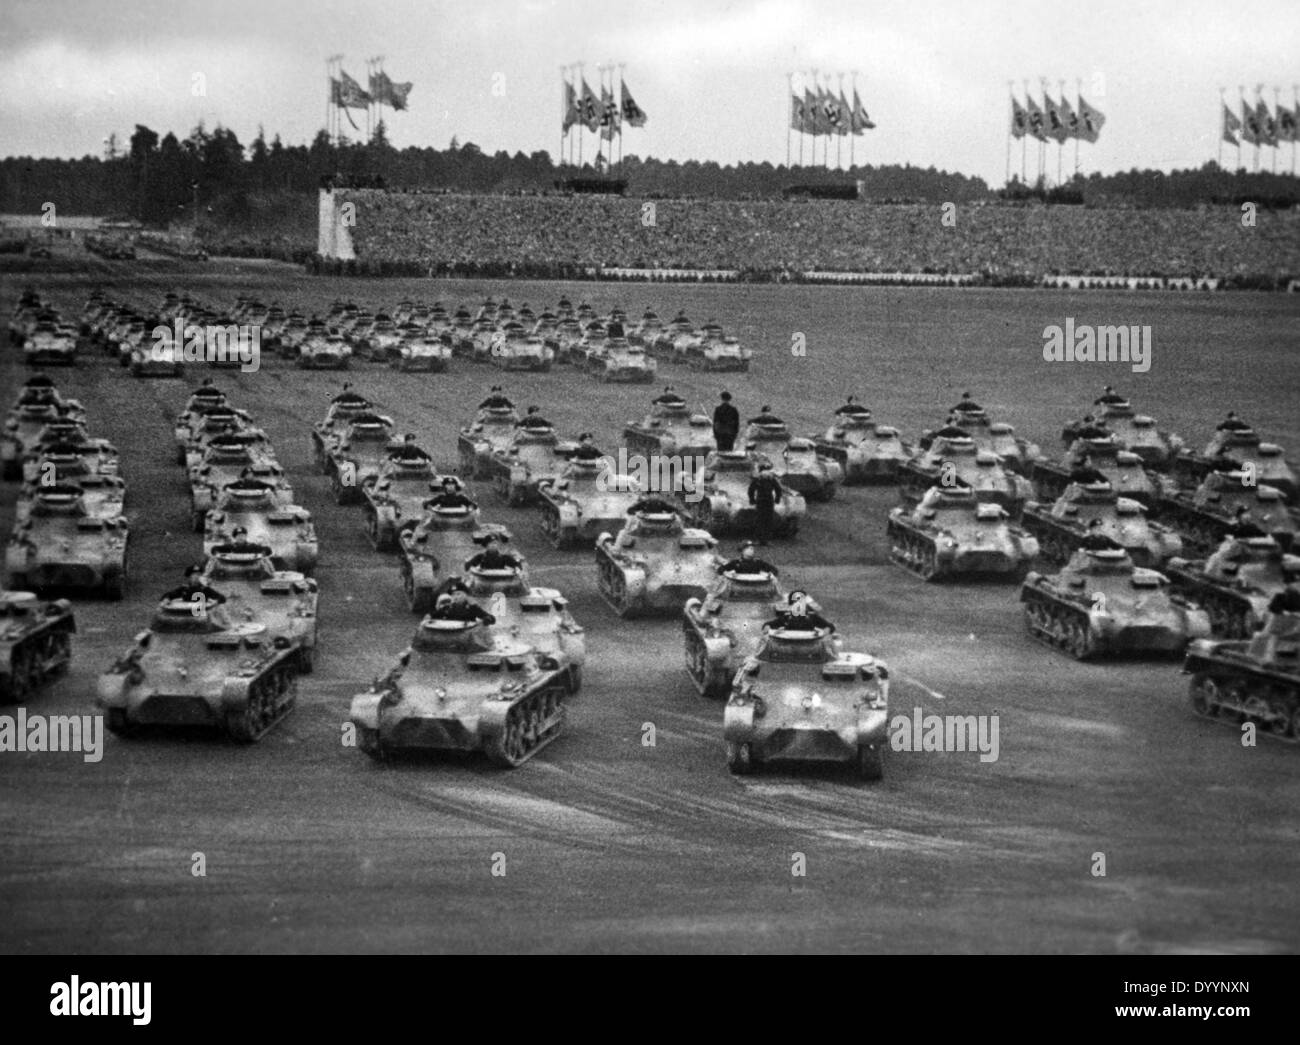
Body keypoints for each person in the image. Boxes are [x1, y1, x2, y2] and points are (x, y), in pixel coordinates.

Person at [748, 463, 784, 545]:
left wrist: (752, 499)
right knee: (764, 520)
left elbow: (751, 490)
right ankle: (762, 539)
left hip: (763, 501)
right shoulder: (768, 479)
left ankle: (763, 539)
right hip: (765, 501)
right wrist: (777, 499)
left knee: (763, 520)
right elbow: (778, 489)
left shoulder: (760, 479)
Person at [764, 591, 835, 632]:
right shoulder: (786, 617)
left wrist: (825, 631)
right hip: (789, 643)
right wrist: (767, 628)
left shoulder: (813, 617)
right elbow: (768, 624)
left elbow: (830, 626)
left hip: (810, 642)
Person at [161, 565, 227, 607]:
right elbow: (168, 595)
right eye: (194, 575)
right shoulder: (184, 589)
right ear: (189, 577)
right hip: (186, 613)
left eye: (198, 575)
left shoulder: (204, 589)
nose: (196, 577)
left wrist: (216, 602)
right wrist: (167, 599)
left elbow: (222, 598)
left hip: (201, 614)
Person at [430, 590, 496, 625]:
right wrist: (429, 617)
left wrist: (487, 619)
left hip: (468, 629)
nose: (457, 597)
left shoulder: (472, 608)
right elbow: (432, 616)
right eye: (454, 595)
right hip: (451, 630)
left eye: (459, 594)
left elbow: (491, 618)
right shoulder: (448, 608)